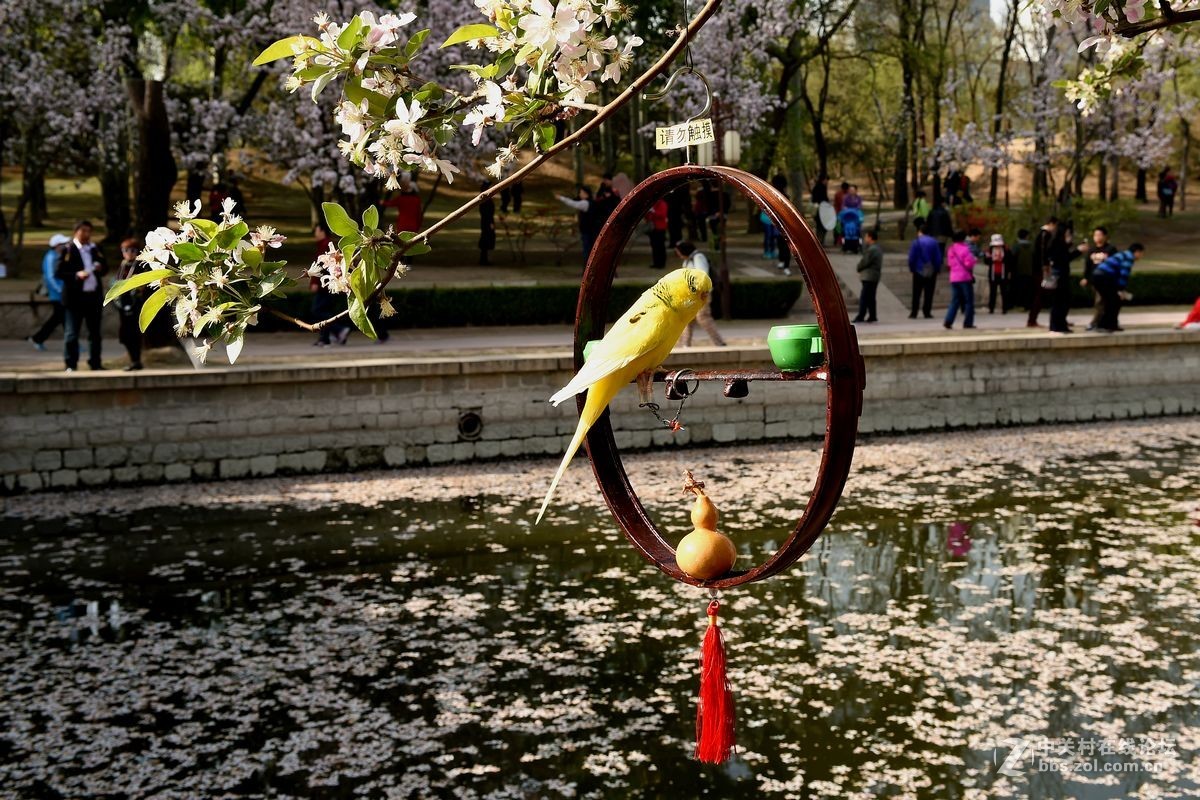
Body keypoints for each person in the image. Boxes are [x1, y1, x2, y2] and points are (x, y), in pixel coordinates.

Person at [56, 220, 107, 372]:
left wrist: (99, 266)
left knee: (95, 333)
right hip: (74, 299)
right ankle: (70, 364)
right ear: (76, 232)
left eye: (89, 231)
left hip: (93, 297)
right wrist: (77, 275)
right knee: (71, 333)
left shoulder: (95, 248)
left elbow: (105, 268)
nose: (86, 234)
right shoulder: (68, 249)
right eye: (83, 231)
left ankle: (95, 363)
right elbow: (59, 272)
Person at [27, 233, 71, 351]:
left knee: (61, 318)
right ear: (57, 245)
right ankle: (38, 338)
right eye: (63, 244)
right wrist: (60, 290)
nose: (66, 245)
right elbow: (50, 277)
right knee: (59, 318)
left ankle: (71, 342)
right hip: (57, 294)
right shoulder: (51, 256)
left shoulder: (59, 255)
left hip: (62, 292)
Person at [677, 241, 726, 347]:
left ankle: (719, 342)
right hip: (692, 295)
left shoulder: (698, 257)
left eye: (679, 252)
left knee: (703, 318)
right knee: (688, 319)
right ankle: (685, 344)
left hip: (701, 294)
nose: (679, 255)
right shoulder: (687, 260)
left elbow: (702, 276)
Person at [311, 223, 351, 346]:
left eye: (316, 231)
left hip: (326, 285)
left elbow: (321, 267)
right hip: (329, 284)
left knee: (318, 310)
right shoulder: (323, 245)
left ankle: (338, 331)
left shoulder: (325, 245)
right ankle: (326, 338)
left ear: (322, 232)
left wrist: (314, 282)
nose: (315, 234)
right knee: (323, 311)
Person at [1090, 243, 1145, 332]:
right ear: (1137, 252)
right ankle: (1103, 325)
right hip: (1103, 277)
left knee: (1114, 300)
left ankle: (1112, 324)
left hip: (1100, 277)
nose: (1141, 256)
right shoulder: (1128, 257)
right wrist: (1120, 290)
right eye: (1141, 253)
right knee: (1112, 301)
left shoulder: (1124, 255)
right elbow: (1124, 274)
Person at [115, 238, 146, 370]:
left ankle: (136, 361)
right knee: (124, 335)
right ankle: (133, 359)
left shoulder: (140, 265)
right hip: (123, 303)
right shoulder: (123, 265)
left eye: (133, 250)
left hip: (136, 304)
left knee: (133, 334)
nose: (129, 253)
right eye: (126, 250)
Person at [1047, 224, 1083, 334]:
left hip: (1061, 275)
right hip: (1059, 276)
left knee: (1062, 301)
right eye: (1067, 234)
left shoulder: (1059, 244)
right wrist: (1078, 251)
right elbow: (1064, 258)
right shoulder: (1057, 244)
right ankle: (1057, 325)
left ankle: (1059, 324)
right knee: (1061, 301)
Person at [1081, 226, 1118, 331]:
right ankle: (1106, 322)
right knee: (1101, 302)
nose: (1097, 237)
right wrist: (1086, 278)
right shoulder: (1091, 250)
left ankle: (1096, 323)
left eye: (1099, 235)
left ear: (1105, 236)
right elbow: (1088, 266)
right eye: (1095, 235)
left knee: (1102, 302)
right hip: (1095, 281)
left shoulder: (1110, 249)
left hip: (1107, 280)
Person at [907, 220, 942, 319]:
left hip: (918, 270)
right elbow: (938, 258)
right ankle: (927, 311)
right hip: (931, 270)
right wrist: (937, 268)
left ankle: (914, 312)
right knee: (929, 292)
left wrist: (911, 268)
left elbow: (912, 257)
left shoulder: (916, 242)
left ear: (920, 231)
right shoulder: (934, 242)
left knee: (916, 292)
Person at [556, 186, 600, 265]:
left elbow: (574, 204)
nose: (580, 194)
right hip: (590, 231)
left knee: (588, 251)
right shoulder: (590, 202)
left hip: (588, 231)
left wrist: (562, 198)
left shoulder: (585, 203)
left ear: (585, 194)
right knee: (590, 250)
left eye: (581, 192)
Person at [943, 230, 977, 330]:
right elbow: (968, 263)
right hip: (965, 277)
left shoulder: (951, 249)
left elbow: (949, 264)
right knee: (968, 301)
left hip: (954, 277)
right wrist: (974, 260)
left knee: (955, 300)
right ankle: (968, 323)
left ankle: (948, 321)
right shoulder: (965, 249)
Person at [1028, 216, 1058, 327]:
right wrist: (1045, 265)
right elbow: (1042, 252)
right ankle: (1032, 319)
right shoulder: (1045, 235)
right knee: (1040, 294)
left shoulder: (1045, 235)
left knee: (1044, 294)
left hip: (1042, 268)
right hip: (1041, 269)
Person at [853, 228, 882, 323]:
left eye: (866, 236)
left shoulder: (872, 250)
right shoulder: (877, 248)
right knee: (871, 297)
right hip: (874, 276)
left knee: (864, 297)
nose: (865, 238)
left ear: (870, 237)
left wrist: (858, 267)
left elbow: (865, 262)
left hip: (869, 276)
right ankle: (872, 315)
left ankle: (861, 315)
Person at [984, 233, 1014, 314]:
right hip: (993, 273)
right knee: (992, 291)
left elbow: (1010, 261)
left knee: (1004, 291)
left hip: (1003, 272)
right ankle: (991, 308)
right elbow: (986, 261)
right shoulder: (989, 250)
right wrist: (991, 259)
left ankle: (1005, 308)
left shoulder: (1006, 250)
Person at [772, 174, 793, 275]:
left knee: (782, 244)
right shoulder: (785, 196)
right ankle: (784, 263)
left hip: (781, 224)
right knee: (783, 244)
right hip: (783, 224)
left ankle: (785, 264)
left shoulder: (774, 195)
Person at [646, 197, 668, 269]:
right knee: (654, 246)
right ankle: (656, 262)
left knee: (660, 246)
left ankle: (661, 263)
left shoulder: (662, 204)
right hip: (653, 228)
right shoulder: (653, 204)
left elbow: (662, 215)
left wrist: (653, 212)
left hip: (660, 228)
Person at [478, 181, 496, 266]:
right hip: (486, 222)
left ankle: (485, 259)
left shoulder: (486, 200)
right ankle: (484, 260)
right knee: (486, 239)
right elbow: (487, 213)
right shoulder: (485, 200)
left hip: (486, 221)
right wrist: (490, 223)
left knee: (487, 239)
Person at [810, 175, 830, 244]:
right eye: (826, 180)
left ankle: (819, 241)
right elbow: (823, 199)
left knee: (820, 226)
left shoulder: (817, 187)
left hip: (819, 210)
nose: (827, 182)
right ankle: (820, 241)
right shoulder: (821, 188)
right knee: (822, 226)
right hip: (821, 210)